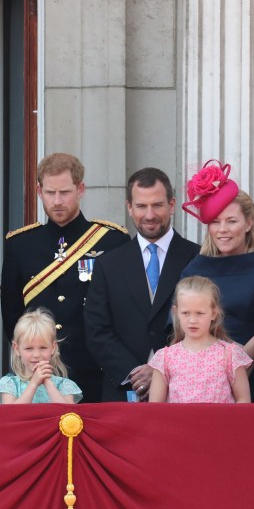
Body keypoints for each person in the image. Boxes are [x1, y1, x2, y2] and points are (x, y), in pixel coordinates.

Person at [1, 153, 128, 401]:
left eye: (65, 192)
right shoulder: (20, 244)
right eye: (50, 193)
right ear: (39, 191)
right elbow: (12, 317)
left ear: (80, 189)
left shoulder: (112, 241)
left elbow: (121, 312)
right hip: (38, 376)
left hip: (94, 372)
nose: (57, 201)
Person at [85, 167, 201, 401]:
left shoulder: (197, 258)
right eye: (141, 206)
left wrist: (160, 370)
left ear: (172, 204)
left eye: (157, 205)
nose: (149, 215)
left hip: (184, 390)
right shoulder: (108, 265)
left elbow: (205, 326)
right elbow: (97, 331)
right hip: (123, 391)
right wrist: (134, 372)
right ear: (129, 207)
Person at [179, 160, 254, 400]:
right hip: (202, 378)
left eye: (231, 221)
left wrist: (235, 368)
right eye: (215, 222)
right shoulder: (195, 268)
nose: (223, 230)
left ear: (248, 223)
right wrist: (211, 370)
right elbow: (180, 326)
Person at [148, 276, 252, 403]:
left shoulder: (230, 354)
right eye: (185, 313)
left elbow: (243, 400)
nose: (192, 320)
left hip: (220, 423)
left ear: (213, 313)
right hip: (178, 423)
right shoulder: (165, 358)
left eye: (200, 313)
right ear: (176, 312)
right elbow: (156, 407)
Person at [0, 309, 82, 404]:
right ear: (17, 349)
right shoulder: (10, 385)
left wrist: (48, 383)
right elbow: (11, 415)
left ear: (53, 347)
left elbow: (68, 414)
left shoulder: (64, 385)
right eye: (29, 348)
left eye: (43, 348)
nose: (36, 355)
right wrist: (34, 383)